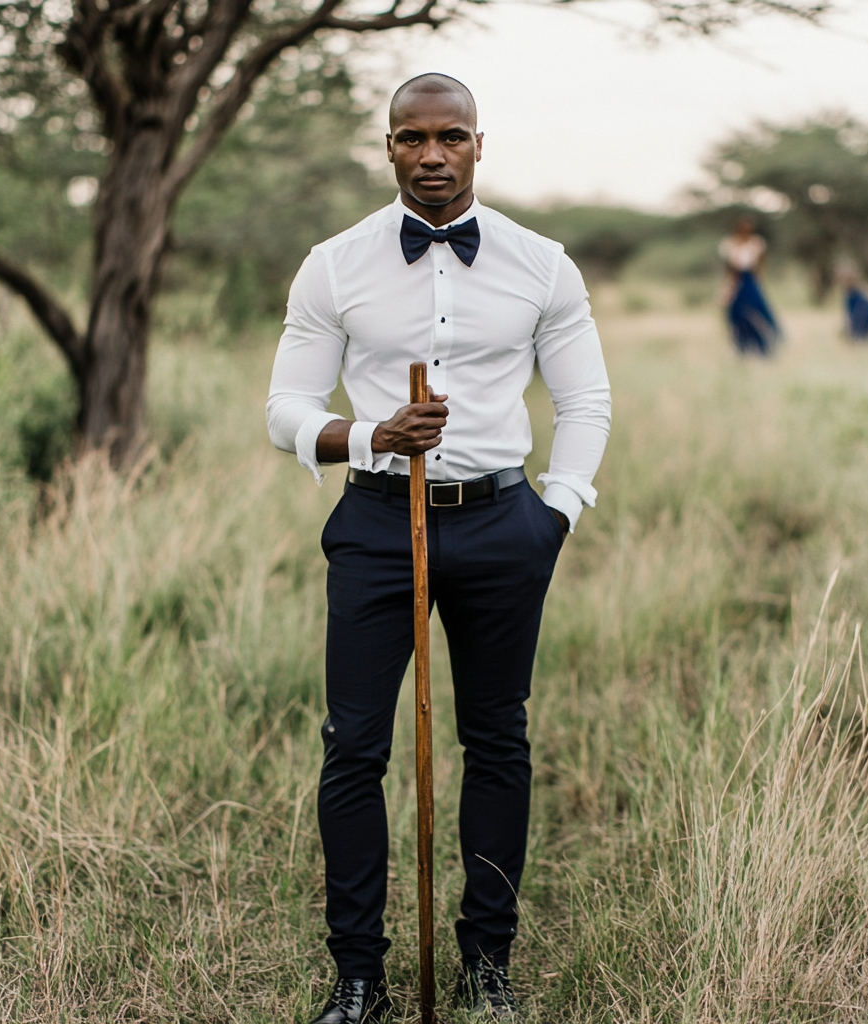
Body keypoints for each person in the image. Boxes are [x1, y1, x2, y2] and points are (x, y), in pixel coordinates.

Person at [267, 73, 611, 1022]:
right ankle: (359, 976)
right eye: (411, 138)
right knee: (354, 749)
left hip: (504, 523)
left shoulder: (542, 263)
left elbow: (584, 401)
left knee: (497, 742)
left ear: (477, 144)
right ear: (387, 148)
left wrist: (558, 513)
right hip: (379, 523)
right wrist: (373, 433)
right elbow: (285, 411)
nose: (431, 155)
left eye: (449, 137)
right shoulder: (334, 265)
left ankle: (488, 968)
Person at [719, 215, 781, 355]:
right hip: (736, 280)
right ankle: (742, 346)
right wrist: (726, 288)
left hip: (750, 279)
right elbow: (728, 268)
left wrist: (759, 280)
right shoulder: (729, 243)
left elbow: (760, 265)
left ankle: (763, 346)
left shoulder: (757, 243)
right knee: (737, 313)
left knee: (756, 310)